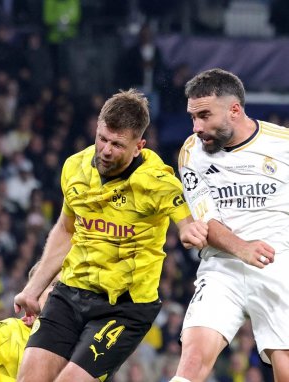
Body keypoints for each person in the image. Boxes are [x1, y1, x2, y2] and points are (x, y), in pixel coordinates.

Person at [13, 89, 208, 382]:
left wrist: (188, 229)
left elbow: (185, 219)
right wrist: (33, 288)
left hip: (124, 308)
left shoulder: (156, 182)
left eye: (117, 145)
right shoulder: (75, 167)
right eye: (102, 139)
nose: (105, 150)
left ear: (138, 146)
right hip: (70, 292)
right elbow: (66, 230)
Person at [172, 68, 289, 382]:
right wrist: (242, 248)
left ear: (235, 110)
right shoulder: (191, 153)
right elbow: (205, 220)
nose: (196, 127)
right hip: (221, 268)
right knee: (192, 362)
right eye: (192, 117)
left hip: (276, 266)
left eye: (204, 116)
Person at [0, 265, 58, 382]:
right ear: (34, 294)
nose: (60, 292)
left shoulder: (72, 348)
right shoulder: (11, 331)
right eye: (54, 285)